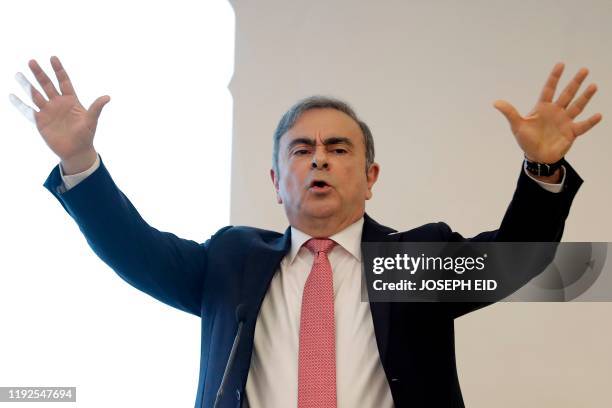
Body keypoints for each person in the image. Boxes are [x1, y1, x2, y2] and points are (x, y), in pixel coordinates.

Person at [10, 56, 602, 408]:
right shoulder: (234, 262)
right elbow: (135, 250)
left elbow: (517, 260)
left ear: (370, 177)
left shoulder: (411, 263)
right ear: (276, 180)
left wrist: (543, 169)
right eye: (302, 149)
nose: (319, 159)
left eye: (338, 148)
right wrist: (82, 163)